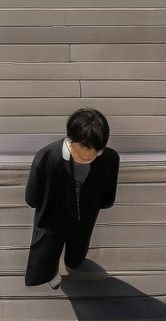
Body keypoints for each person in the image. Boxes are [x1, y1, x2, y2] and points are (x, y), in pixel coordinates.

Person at [24, 108, 120, 288]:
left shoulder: (46, 156)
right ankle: (67, 264)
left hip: (53, 217)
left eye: (92, 155)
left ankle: (54, 271)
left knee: (49, 249)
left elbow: (32, 198)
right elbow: (108, 197)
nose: (85, 158)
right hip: (84, 215)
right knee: (73, 249)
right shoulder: (110, 158)